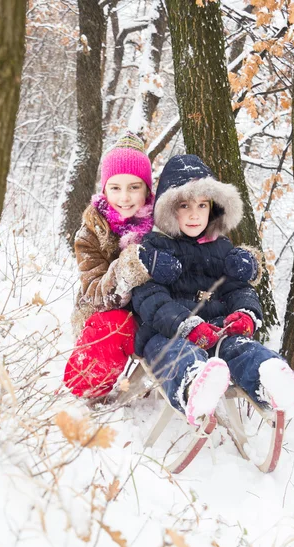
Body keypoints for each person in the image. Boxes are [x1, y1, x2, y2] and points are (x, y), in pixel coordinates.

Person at [132, 154, 294, 426]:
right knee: (178, 356)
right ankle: (194, 387)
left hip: (216, 331)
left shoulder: (222, 248)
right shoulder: (154, 249)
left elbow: (237, 289)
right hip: (168, 335)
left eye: (202, 205)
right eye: (184, 205)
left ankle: (269, 379)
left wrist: (245, 313)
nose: (195, 214)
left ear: (214, 208)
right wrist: (185, 325)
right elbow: (151, 299)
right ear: (169, 209)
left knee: (241, 348)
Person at [63, 132, 182, 401]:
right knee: (112, 324)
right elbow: (94, 292)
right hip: (111, 312)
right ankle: (86, 393)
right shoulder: (91, 232)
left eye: (134, 187)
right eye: (115, 187)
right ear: (104, 189)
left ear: (147, 189)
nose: (124, 197)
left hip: (155, 312)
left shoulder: (163, 225)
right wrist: (126, 270)